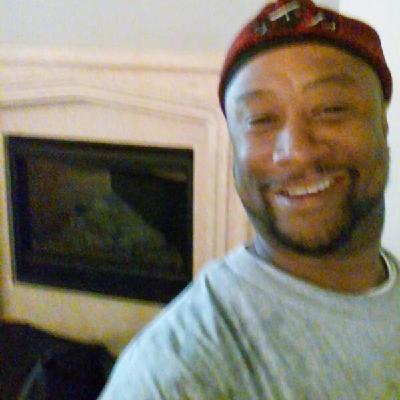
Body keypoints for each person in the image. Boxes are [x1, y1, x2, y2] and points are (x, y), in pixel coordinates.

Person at [99, 1, 400, 398]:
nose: (296, 152)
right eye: (261, 120)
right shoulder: (173, 373)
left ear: (382, 123)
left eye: (331, 109)